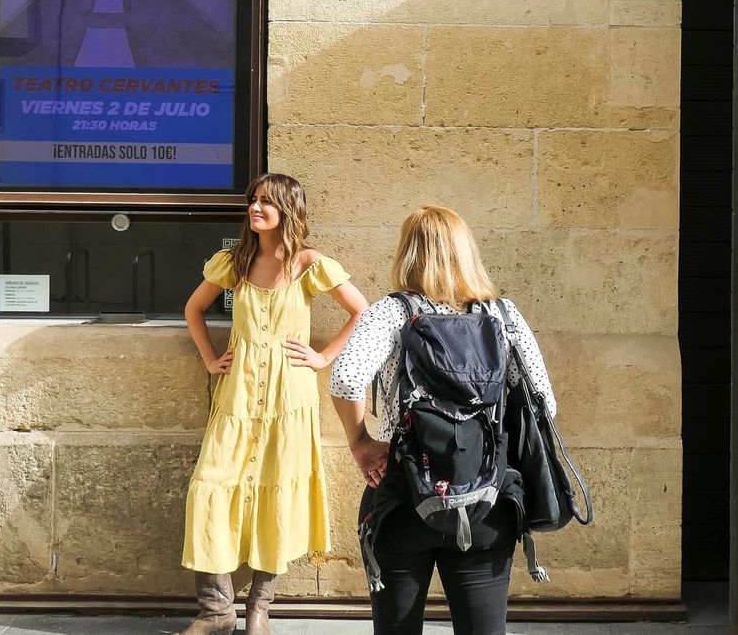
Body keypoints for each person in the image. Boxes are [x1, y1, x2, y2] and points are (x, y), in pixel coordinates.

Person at [328, 205, 558, 635]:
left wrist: (360, 442)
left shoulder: (393, 312)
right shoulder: (502, 316)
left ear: (408, 253)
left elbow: (345, 379)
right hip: (486, 501)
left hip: (403, 495)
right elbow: (544, 402)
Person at [179, 173, 369, 635]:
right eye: (253, 200)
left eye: (267, 201)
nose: (255, 208)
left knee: (278, 494)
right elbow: (193, 309)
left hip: (290, 397)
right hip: (238, 396)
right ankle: (216, 611)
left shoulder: (310, 264)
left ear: (288, 209)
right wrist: (209, 358)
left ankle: (259, 609)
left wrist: (322, 356)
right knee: (209, 486)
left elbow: (363, 310)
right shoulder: (233, 262)